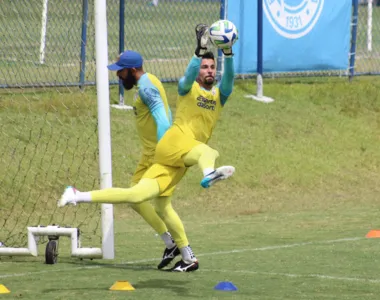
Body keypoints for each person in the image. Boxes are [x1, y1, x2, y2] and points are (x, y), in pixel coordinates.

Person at [57, 23, 236, 272]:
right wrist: (198, 53)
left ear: (130, 70)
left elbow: (163, 118)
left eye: (120, 71)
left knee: (202, 157)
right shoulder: (187, 87)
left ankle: (186, 250)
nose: (117, 75)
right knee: (145, 199)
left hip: (166, 150)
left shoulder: (160, 88)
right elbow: (186, 75)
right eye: (204, 66)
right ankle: (182, 248)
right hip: (169, 153)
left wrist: (227, 53)